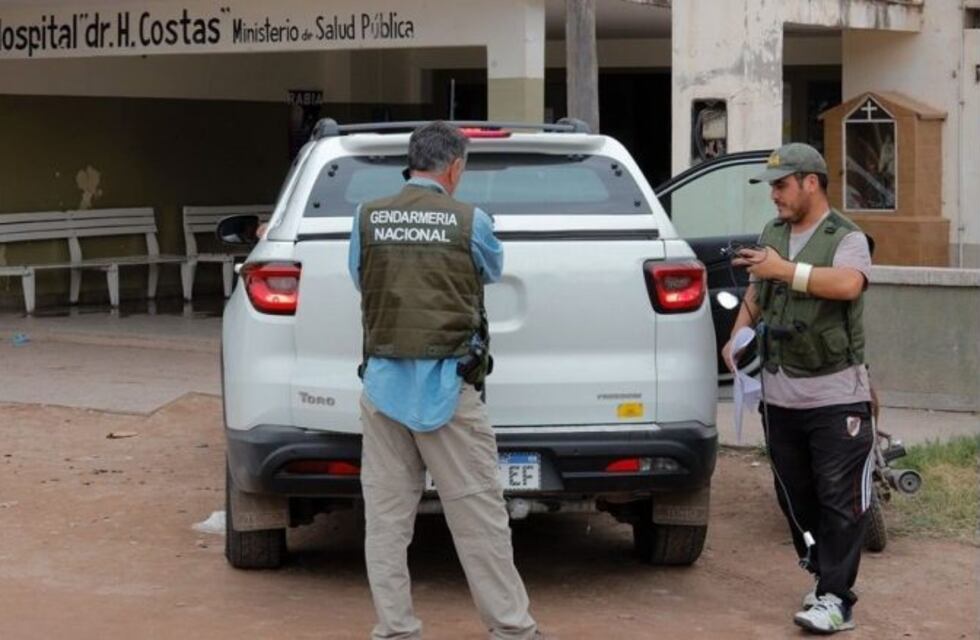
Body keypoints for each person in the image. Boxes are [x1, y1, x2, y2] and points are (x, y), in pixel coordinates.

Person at [348, 121, 538, 640]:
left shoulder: (367, 218)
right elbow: (493, 269)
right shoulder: (469, 221)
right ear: (454, 167)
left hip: (383, 387)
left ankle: (395, 628)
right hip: (449, 390)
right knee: (478, 513)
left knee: (387, 520)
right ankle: (511, 628)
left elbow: (360, 278)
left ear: (412, 162)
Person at [721, 143, 875, 634]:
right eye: (772, 186)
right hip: (779, 395)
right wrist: (737, 334)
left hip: (836, 396)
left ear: (812, 182)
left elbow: (849, 284)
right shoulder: (773, 234)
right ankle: (820, 575)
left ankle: (836, 597)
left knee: (840, 498)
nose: (775, 196)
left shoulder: (846, 237)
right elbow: (756, 292)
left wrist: (783, 269)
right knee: (794, 496)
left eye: (782, 185)